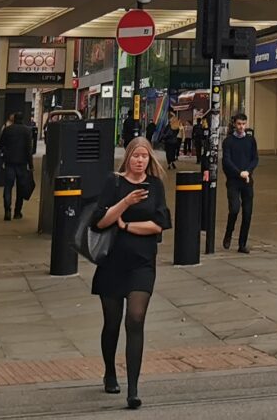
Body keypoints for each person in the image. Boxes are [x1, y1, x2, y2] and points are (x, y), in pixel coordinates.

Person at [93, 135, 170, 410]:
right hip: (112, 262)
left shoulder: (155, 186)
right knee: (112, 323)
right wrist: (125, 202)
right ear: (128, 157)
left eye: (144, 156)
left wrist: (127, 226)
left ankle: (133, 389)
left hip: (142, 263)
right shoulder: (113, 183)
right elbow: (101, 221)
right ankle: (109, 372)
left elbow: (159, 224)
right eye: (136, 156)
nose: (140, 161)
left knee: (135, 319)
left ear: (150, 159)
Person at [221, 111, 257, 252]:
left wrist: (248, 171)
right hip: (233, 181)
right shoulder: (228, 141)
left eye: (243, 124)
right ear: (234, 124)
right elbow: (227, 161)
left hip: (247, 180)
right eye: (239, 124)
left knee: (247, 214)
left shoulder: (250, 140)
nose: (241, 127)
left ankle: (242, 244)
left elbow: (255, 158)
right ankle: (228, 233)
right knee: (234, 209)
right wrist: (239, 172)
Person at [0, 109, 34, 222]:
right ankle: (17, 212)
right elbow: (29, 149)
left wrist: (4, 155)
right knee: (20, 188)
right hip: (22, 163)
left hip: (9, 162)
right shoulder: (27, 131)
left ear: (14, 119)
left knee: (8, 187)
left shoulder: (7, 130)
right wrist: (31, 164)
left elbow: (0, 144)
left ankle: (7, 210)